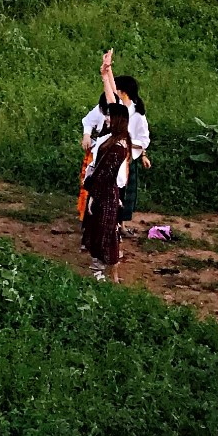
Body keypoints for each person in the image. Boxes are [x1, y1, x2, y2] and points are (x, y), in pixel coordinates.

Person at [82, 49, 151, 224]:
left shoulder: (130, 115)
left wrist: (107, 73)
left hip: (122, 158)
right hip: (110, 153)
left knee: (115, 194)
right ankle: (100, 225)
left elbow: (143, 141)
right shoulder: (116, 108)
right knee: (102, 192)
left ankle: (113, 227)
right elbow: (110, 92)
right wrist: (106, 71)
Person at [82, 103, 132, 283]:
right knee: (101, 230)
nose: (106, 118)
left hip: (105, 195)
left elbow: (104, 175)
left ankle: (99, 274)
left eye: (110, 115)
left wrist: (93, 196)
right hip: (106, 193)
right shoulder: (115, 140)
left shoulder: (118, 146)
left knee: (103, 232)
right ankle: (99, 272)